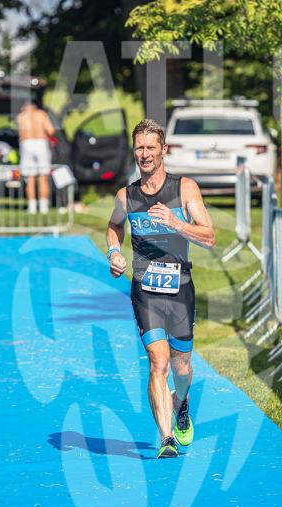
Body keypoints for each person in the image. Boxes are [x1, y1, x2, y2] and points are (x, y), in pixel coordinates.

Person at [106, 119, 216, 459]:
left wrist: (175, 222)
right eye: (139, 148)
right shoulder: (126, 196)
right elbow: (114, 226)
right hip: (145, 290)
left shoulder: (185, 189)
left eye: (151, 147)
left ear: (163, 150)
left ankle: (181, 402)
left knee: (182, 368)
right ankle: (166, 437)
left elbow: (209, 236)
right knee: (158, 361)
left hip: (180, 290)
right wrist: (114, 252)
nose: (145, 154)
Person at [17, 100, 55, 214]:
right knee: (43, 177)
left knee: (30, 178)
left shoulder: (21, 117)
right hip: (40, 143)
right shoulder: (41, 115)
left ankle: (32, 207)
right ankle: (44, 207)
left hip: (26, 144)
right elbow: (51, 131)